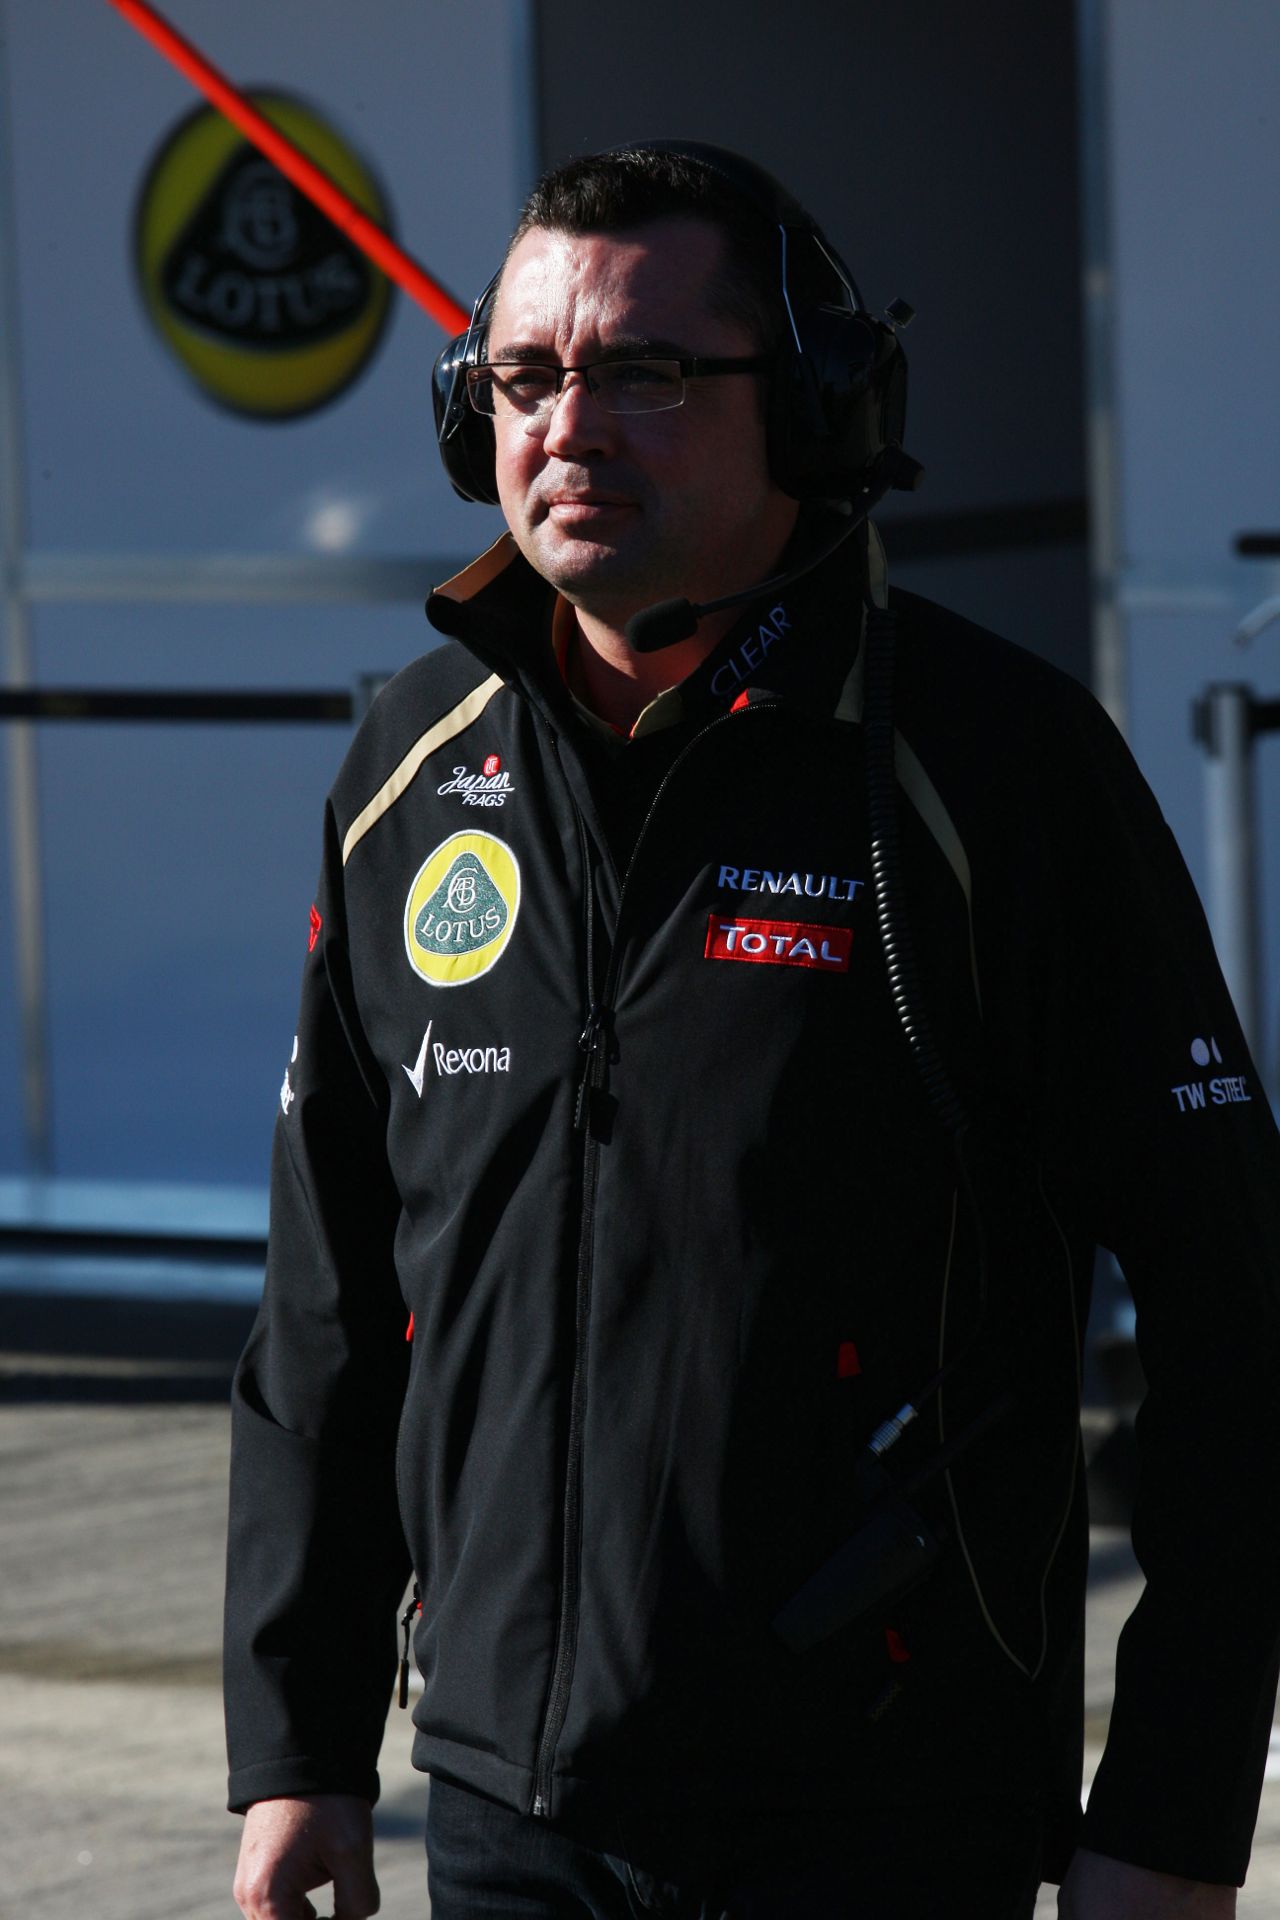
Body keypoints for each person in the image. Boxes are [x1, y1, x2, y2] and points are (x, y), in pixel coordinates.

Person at [225, 142, 1280, 1920]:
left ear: (806, 406)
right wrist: (298, 1742)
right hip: (498, 1808)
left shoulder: (993, 768)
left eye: (645, 372)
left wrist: (1170, 1816)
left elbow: (1235, 1321)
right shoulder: (411, 766)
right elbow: (329, 1306)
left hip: (879, 1812)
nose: (568, 425)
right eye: (525, 377)